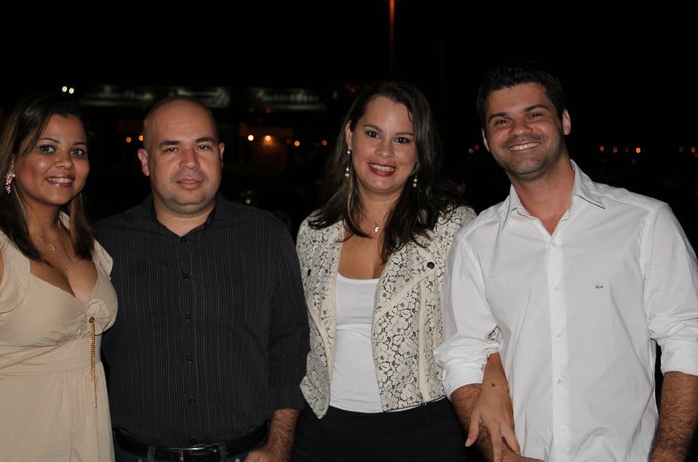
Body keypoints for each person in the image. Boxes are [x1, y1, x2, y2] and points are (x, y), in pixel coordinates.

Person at [435, 60, 698, 461]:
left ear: (565, 121)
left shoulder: (646, 222)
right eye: (501, 121)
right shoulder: (475, 241)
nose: (519, 130)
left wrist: (668, 454)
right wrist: (502, 456)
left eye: (534, 114)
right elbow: (462, 354)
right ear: (486, 140)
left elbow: (687, 339)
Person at [291, 80, 514, 462]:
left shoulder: (453, 227)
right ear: (350, 136)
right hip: (322, 434)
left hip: (425, 435)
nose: (384, 152)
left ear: (420, 152)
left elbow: (492, 326)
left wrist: (494, 384)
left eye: (402, 140)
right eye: (373, 134)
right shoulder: (313, 231)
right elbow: (294, 337)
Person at [95, 95, 309, 462]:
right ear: (145, 161)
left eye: (203, 146)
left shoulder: (267, 235)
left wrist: (278, 445)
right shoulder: (103, 244)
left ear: (221, 154)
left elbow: (290, 345)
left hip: (246, 455)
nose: (190, 162)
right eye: (171, 148)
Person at [0, 93, 118, 461]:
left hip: (84, 442)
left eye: (78, 151)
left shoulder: (86, 242)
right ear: (12, 161)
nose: (65, 162)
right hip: (5, 443)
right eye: (47, 148)